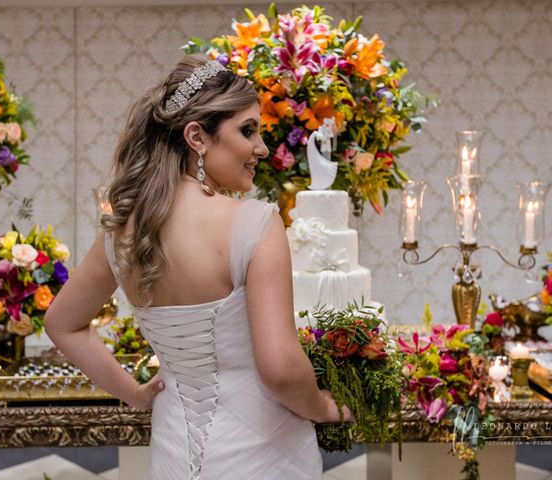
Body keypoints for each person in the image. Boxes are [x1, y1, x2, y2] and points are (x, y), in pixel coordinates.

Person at [44, 54, 354, 480]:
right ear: (197, 137)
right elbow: (281, 369)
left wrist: (134, 394)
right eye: (247, 131)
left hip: (174, 453)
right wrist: (324, 406)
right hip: (264, 456)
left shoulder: (122, 233)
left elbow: (63, 323)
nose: (261, 148)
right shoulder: (256, 223)